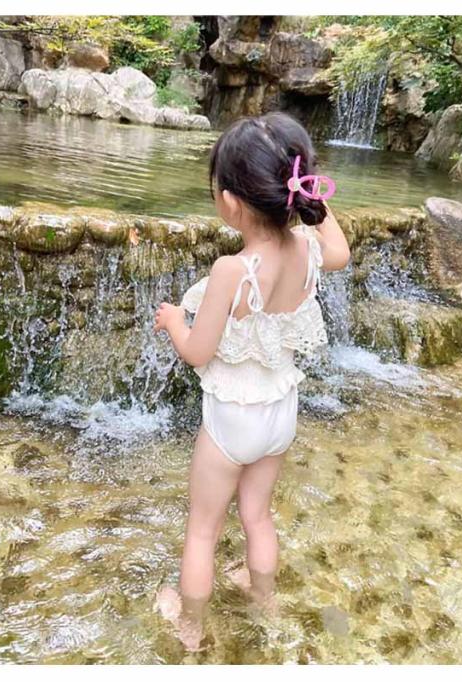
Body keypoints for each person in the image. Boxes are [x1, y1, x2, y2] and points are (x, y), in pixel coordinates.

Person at [152, 111, 351, 651]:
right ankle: (263, 600)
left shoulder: (231, 271)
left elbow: (197, 353)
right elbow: (341, 250)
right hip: (280, 411)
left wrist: (175, 321)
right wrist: (311, 200)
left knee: (202, 529)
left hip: (231, 420)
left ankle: (190, 627)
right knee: (258, 516)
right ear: (297, 188)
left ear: (230, 202)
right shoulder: (308, 251)